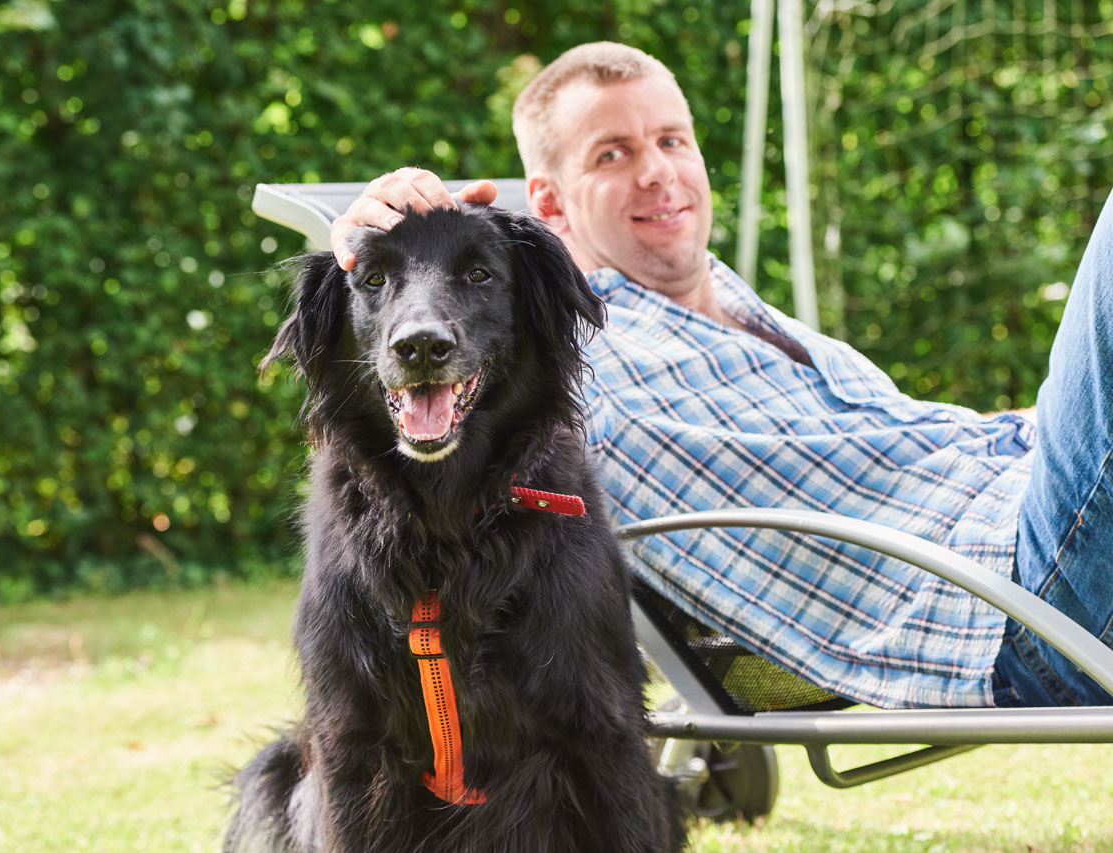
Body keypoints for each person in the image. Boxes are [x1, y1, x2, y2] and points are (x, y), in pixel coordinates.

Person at [327, 42, 1113, 709]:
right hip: (1019, 601)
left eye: (673, 141)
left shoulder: (757, 320)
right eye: (614, 155)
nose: (658, 172)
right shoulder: (556, 357)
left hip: (1036, 510)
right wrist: (374, 231)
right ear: (550, 205)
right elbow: (435, 404)